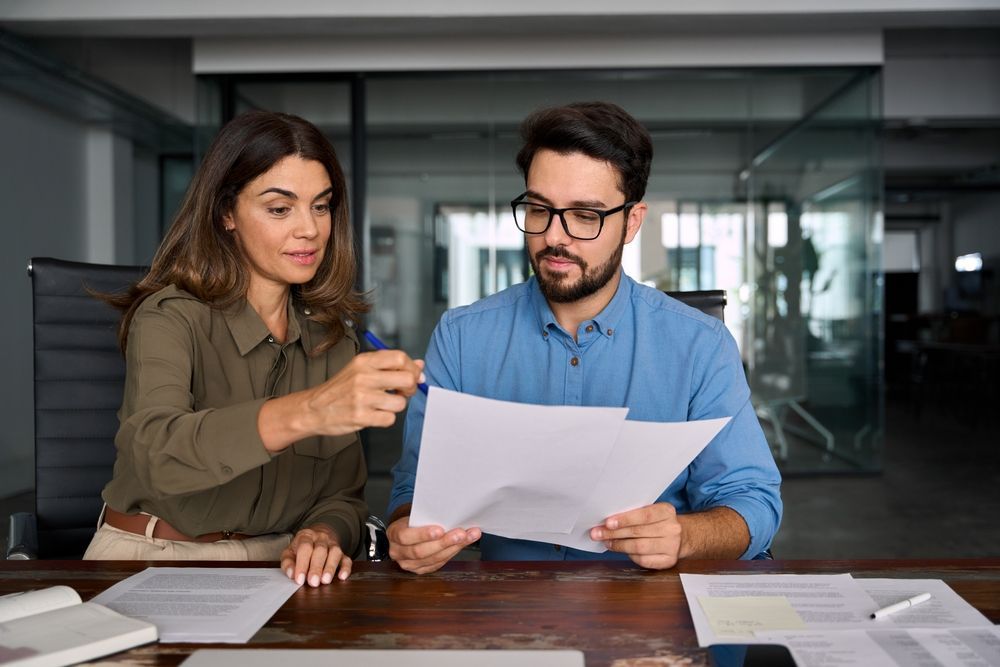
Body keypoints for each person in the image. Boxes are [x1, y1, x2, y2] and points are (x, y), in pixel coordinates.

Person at [386, 101, 782, 574]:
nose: (556, 237)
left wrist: (686, 536)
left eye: (585, 215)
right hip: (504, 610)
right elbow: (413, 490)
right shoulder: (461, 337)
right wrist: (408, 531)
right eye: (539, 209)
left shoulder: (701, 345)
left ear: (632, 221)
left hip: (647, 614)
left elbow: (753, 502)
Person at [83, 110, 424, 587]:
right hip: (157, 553)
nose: (309, 229)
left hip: (280, 562)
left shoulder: (333, 340)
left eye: (321, 206)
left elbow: (343, 495)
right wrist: (309, 409)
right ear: (227, 213)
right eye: (280, 208)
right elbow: (157, 455)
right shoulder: (169, 316)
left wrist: (323, 532)